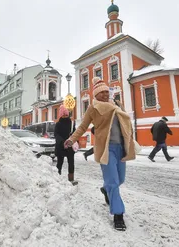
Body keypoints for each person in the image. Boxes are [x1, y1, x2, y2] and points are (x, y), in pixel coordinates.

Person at [64, 77, 136, 231]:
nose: (105, 94)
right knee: (113, 182)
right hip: (106, 149)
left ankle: (105, 190)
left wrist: (131, 139)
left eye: (106, 91)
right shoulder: (93, 108)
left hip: (121, 147)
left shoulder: (116, 104)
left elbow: (126, 123)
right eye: (101, 92)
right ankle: (118, 215)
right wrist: (71, 139)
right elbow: (83, 127)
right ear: (95, 95)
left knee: (120, 179)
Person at [54, 105, 77, 185]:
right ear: (61, 115)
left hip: (70, 145)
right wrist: (62, 142)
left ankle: (71, 179)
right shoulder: (58, 124)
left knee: (71, 163)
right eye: (63, 114)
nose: (65, 116)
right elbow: (56, 135)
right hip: (61, 146)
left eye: (66, 114)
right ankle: (57, 177)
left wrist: (73, 140)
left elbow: (75, 133)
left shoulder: (71, 123)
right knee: (59, 162)